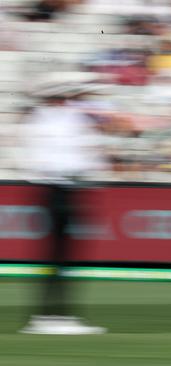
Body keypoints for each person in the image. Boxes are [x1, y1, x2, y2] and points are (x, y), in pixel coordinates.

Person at [19, 73, 108, 335]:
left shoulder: (58, 119)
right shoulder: (50, 121)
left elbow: (85, 154)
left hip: (63, 188)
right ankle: (53, 316)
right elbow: (56, 161)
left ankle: (54, 315)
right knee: (60, 254)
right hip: (58, 189)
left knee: (62, 255)